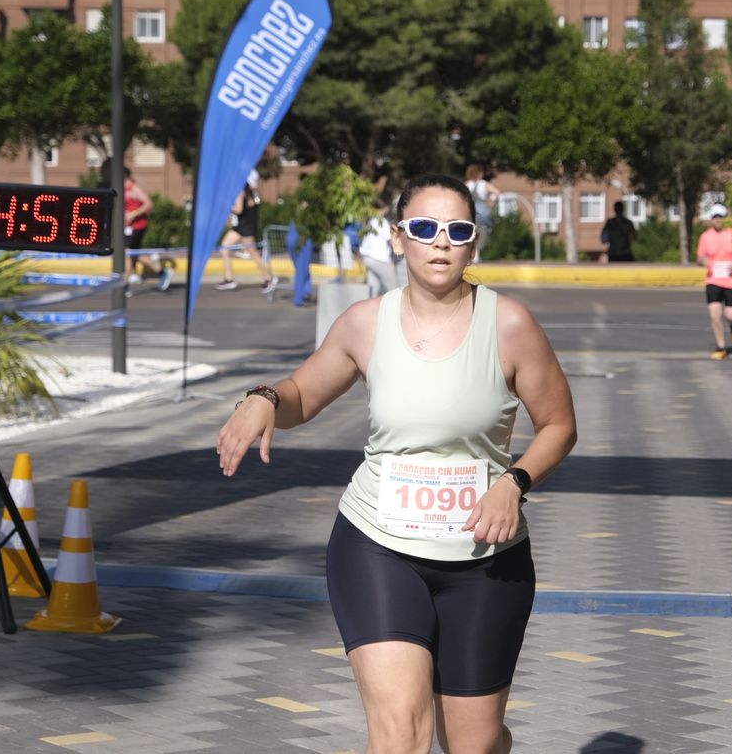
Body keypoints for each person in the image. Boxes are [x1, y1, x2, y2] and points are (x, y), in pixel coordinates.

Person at [215, 173, 577, 754]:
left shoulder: (509, 324)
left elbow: (559, 425)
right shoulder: (365, 322)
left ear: (474, 242)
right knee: (400, 732)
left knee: (474, 744)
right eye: (425, 228)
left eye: (457, 230)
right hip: (377, 545)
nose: (441, 242)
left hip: (484, 556)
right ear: (398, 237)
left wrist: (515, 482)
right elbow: (301, 395)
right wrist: (264, 398)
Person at [695, 203, 732, 360]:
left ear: (726, 218)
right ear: (711, 219)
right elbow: (699, 257)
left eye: (721, 216)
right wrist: (704, 261)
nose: (718, 220)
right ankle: (721, 347)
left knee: (731, 315)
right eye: (715, 217)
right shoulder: (706, 236)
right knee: (715, 314)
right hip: (713, 279)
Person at [218, 171, 277, 294]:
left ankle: (269, 278)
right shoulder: (250, 192)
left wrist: (226, 206)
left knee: (253, 253)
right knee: (224, 248)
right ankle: (229, 279)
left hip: (245, 228)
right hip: (241, 227)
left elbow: (238, 209)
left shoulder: (241, 191)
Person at [358, 198, 400, 298]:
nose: (386, 211)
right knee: (394, 289)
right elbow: (390, 240)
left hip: (367, 258)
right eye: (385, 209)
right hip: (380, 259)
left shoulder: (369, 221)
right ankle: (398, 311)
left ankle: (370, 311)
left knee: (373, 289)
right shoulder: (381, 221)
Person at [122, 174, 153, 289]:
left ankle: (125, 284)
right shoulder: (124, 189)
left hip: (138, 226)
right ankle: (160, 271)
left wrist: (133, 214)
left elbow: (149, 204)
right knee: (132, 253)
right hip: (129, 227)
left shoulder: (134, 188)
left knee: (128, 253)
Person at [464, 165, 500, 261]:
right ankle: (477, 253)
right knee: (482, 231)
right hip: (482, 209)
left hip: (470, 209)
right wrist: (492, 203)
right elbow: (497, 193)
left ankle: (471, 253)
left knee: (470, 231)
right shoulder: (484, 184)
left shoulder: (467, 184)